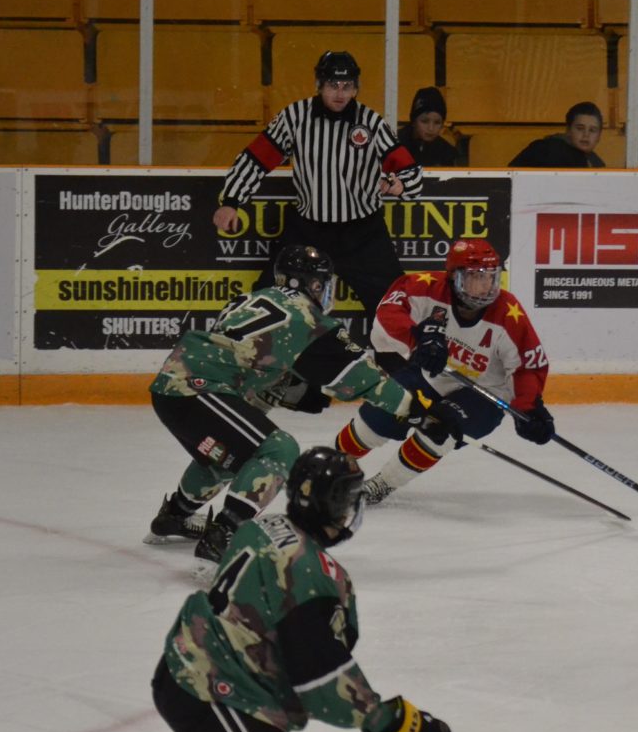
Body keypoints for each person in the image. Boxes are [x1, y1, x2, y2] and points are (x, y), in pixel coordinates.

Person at [135, 446, 452, 732]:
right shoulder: (311, 575)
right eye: (346, 500)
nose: (352, 510)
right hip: (217, 692)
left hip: (191, 670)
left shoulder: (264, 527)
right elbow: (319, 677)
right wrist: (385, 720)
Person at [146, 243, 438, 577]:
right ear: (316, 285)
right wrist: (417, 410)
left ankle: (175, 515)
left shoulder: (255, 299)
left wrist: (305, 393)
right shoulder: (307, 317)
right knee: (277, 449)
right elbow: (362, 377)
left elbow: (257, 368)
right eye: (325, 284)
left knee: (235, 454)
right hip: (197, 389)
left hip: (178, 389)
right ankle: (222, 538)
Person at [212, 50, 422, 331]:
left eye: (347, 86)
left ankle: (401, 371)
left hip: (364, 233)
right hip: (308, 232)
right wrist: (232, 200)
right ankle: (257, 365)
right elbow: (257, 158)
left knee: (394, 304)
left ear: (355, 88)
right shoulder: (294, 118)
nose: (340, 93)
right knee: (269, 300)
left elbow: (409, 170)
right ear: (319, 85)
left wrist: (401, 185)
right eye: (333, 85)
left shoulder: (370, 122)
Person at [334, 238, 554, 504]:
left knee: (440, 431)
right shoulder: (426, 287)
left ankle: (382, 484)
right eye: (476, 278)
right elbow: (388, 312)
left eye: (491, 278)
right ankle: (332, 468)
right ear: (455, 277)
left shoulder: (508, 312)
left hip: (484, 393)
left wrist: (528, 406)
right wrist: (417, 337)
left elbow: (527, 365)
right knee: (378, 414)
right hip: (431, 376)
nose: (486, 287)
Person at [508, 101, 606, 168]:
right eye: (580, 128)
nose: (586, 135)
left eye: (592, 130)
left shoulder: (596, 163)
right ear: (568, 130)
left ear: (599, 136)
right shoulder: (545, 150)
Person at [398, 85, 457, 167]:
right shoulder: (394, 144)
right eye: (424, 121)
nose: (431, 128)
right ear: (413, 122)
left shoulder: (446, 152)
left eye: (437, 122)